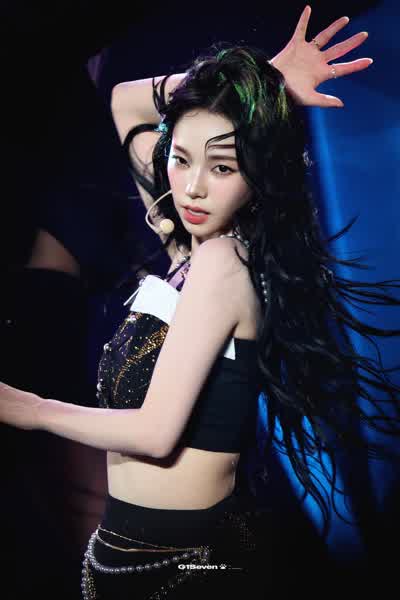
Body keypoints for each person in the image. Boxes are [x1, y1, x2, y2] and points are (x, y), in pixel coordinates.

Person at [1, 5, 399, 599]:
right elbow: (125, 101)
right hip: (130, 557)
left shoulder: (223, 262)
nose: (191, 187)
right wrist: (257, 80)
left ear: (256, 176)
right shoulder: (185, 251)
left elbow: (156, 433)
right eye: (181, 158)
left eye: (222, 167)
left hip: (184, 568)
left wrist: (26, 407)